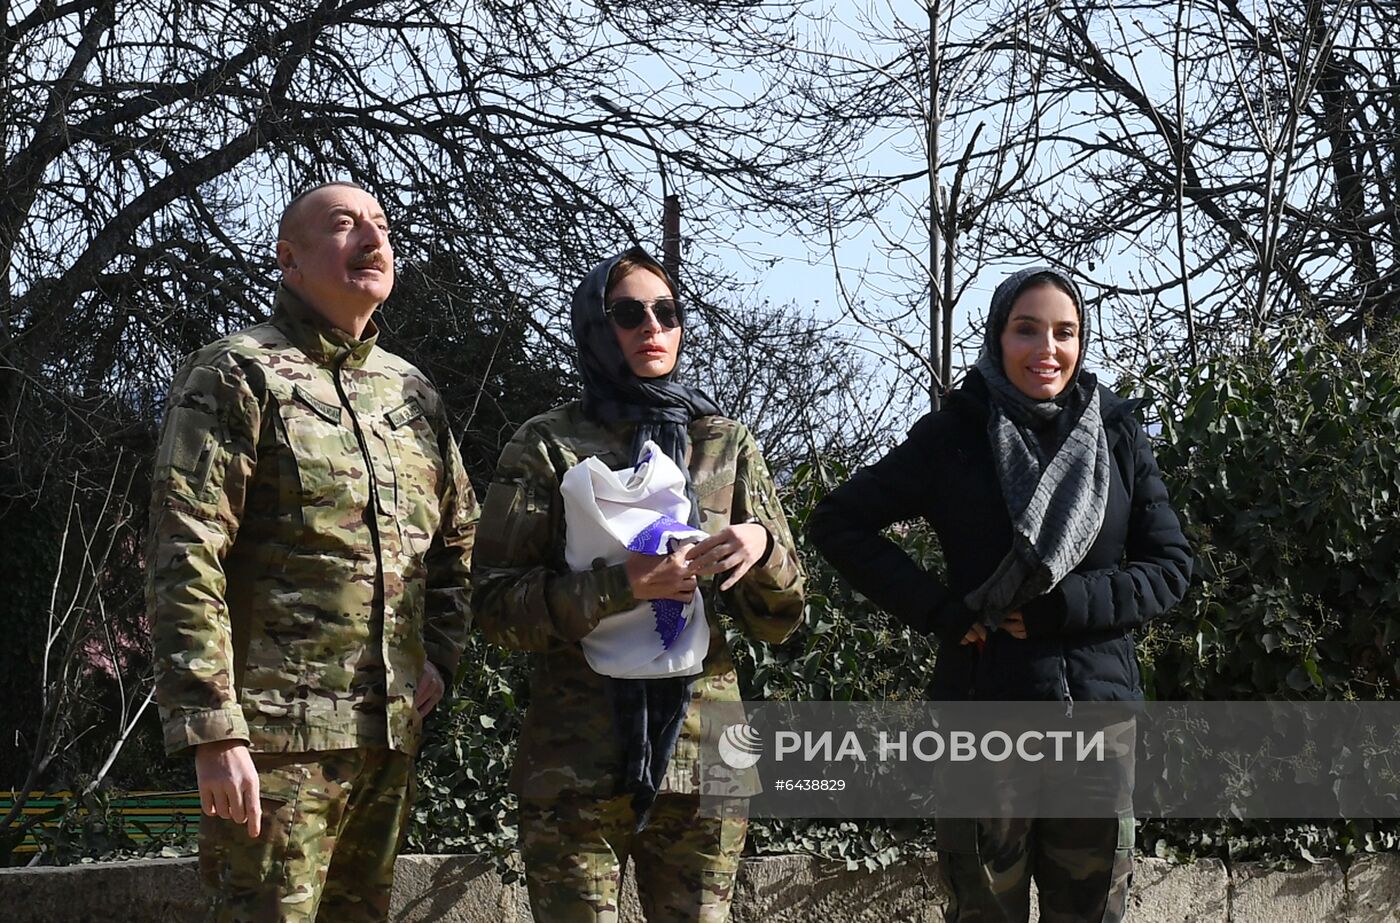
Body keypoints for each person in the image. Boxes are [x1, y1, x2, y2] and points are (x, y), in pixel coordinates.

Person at [807, 267, 1192, 922]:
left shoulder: (1118, 434)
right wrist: (940, 610)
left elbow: (1170, 567)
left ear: (1082, 341)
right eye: (1027, 330)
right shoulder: (954, 434)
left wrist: (1061, 606)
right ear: (997, 336)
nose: (1048, 349)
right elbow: (837, 522)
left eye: (1065, 332)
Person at [148, 181, 477, 922]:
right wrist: (213, 727)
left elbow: (457, 539)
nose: (373, 237)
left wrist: (440, 657)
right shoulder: (237, 372)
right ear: (288, 259)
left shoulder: (411, 392)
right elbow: (185, 548)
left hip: (387, 738)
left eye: (383, 226)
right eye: (344, 224)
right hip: (274, 744)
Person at [472, 246, 805, 922]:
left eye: (667, 311)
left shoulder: (724, 442)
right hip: (576, 763)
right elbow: (498, 607)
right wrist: (624, 584)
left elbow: (783, 617)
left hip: (706, 761)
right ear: (596, 327)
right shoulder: (547, 444)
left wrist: (762, 546)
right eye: (628, 313)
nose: (652, 326)